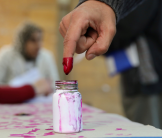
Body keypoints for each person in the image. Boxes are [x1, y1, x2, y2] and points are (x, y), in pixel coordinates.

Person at [60, 0, 162, 128]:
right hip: (138, 74)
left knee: (147, 126)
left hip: (147, 76)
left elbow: (129, 28)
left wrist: (100, 35)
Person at [0, 22, 59, 90]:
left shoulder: (46, 57)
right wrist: (14, 90)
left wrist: (45, 88)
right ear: (23, 42)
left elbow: (55, 86)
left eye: (40, 40)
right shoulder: (6, 55)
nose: (38, 45)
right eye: (33, 40)